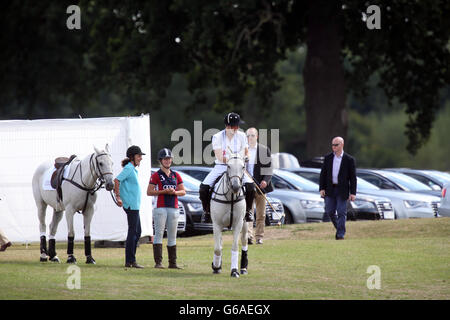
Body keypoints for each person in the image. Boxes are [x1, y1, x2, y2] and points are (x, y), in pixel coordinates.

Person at [199, 112, 255, 223]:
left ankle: (248, 211)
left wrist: (246, 158)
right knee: (203, 188)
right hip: (221, 166)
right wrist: (234, 159)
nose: (237, 128)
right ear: (228, 126)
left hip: (238, 167)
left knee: (250, 187)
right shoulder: (217, 137)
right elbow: (219, 156)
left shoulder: (242, 135)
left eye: (238, 126)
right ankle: (207, 212)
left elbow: (246, 152)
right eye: (235, 126)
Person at [147, 148, 186, 269]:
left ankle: (172, 263)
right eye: (165, 159)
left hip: (173, 208)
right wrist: (164, 191)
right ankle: (158, 263)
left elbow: (183, 191)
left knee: (172, 235)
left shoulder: (176, 175)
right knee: (159, 233)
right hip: (160, 208)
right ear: (161, 161)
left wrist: (174, 192)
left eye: (169, 159)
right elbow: (149, 192)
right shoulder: (156, 175)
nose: (168, 161)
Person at [114, 145, 146, 268]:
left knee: (137, 232)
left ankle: (131, 260)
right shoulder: (128, 168)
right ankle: (130, 261)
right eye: (139, 156)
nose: (141, 158)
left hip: (134, 205)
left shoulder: (132, 169)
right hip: (131, 205)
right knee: (133, 232)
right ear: (132, 157)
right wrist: (118, 197)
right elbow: (117, 180)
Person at [319, 137, 357, 240]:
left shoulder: (349, 160)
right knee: (330, 211)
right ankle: (339, 228)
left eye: (336, 145)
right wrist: (321, 188)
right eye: (333, 145)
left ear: (342, 145)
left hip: (342, 190)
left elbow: (353, 177)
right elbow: (323, 174)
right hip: (330, 189)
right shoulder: (328, 158)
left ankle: (340, 235)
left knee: (341, 212)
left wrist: (353, 193)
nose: (334, 147)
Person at [245, 127, 273, 245]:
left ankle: (259, 237)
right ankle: (248, 236)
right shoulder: (243, 150)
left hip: (260, 185)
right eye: (248, 136)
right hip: (247, 185)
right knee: (248, 213)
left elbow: (269, 168)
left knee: (261, 214)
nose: (250, 138)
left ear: (257, 136)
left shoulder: (263, 149)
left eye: (252, 135)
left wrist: (265, 181)